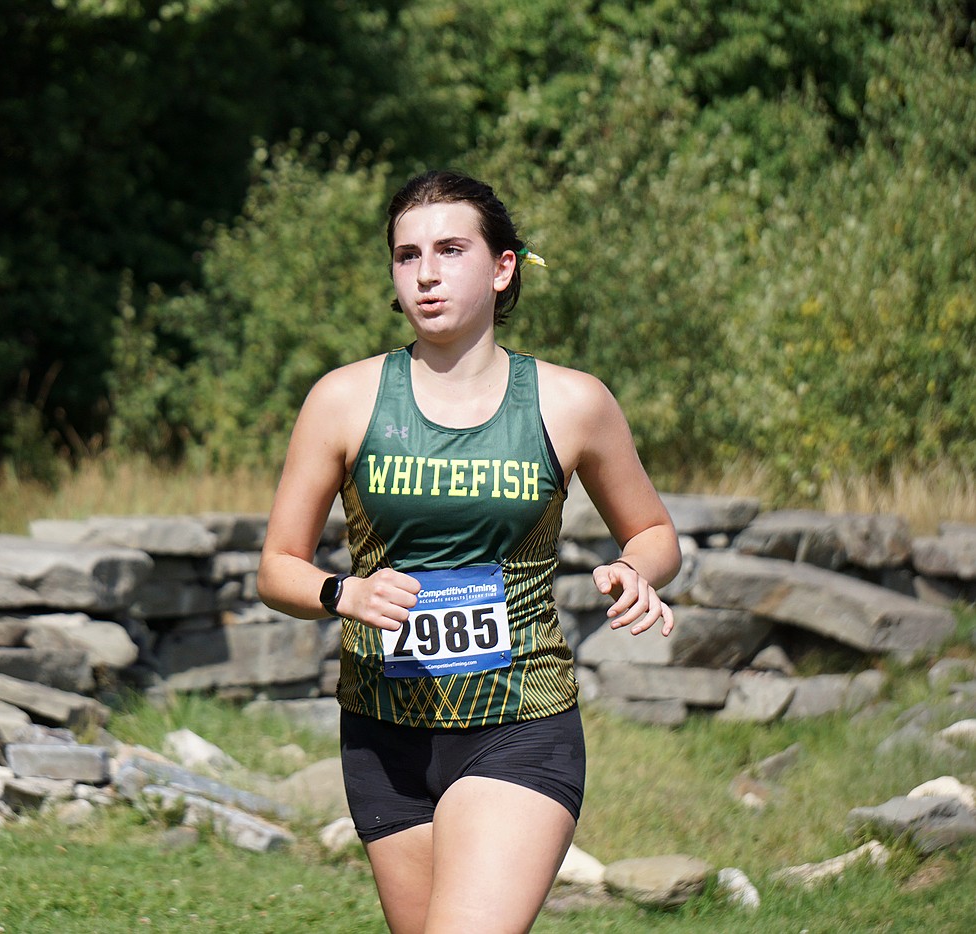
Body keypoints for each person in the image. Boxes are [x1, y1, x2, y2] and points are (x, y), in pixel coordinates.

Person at [257, 169, 681, 933]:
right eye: (406, 253)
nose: (425, 272)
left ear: (502, 266)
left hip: (520, 718)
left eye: (451, 249)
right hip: (384, 731)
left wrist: (634, 570)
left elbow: (654, 534)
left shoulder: (570, 400)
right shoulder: (344, 399)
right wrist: (340, 594)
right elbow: (276, 566)